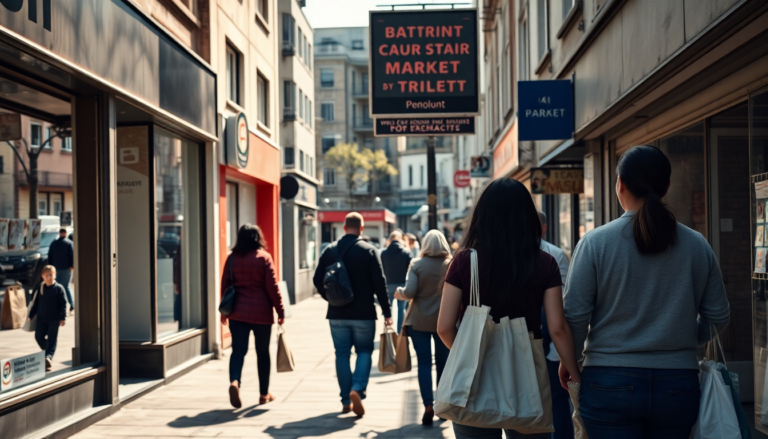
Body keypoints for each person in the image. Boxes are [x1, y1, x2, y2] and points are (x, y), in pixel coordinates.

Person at [562, 145, 731, 439]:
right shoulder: (696, 244)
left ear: (620, 184)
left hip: (607, 381)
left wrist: (571, 361)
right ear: (667, 186)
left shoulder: (595, 243)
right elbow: (718, 315)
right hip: (678, 383)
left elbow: (575, 316)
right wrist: (682, 337)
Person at [437, 178, 581, 439]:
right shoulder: (545, 263)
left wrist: (469, 355)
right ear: (527, 217)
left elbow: (444, 327)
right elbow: (557, 328)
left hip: (473, 384)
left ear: (482, 216)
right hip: (527, 376)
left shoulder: (464, 261)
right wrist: (572, 369)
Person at [313, 212, 393, 417]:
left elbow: (317, 279)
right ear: (362, 228)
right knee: (364, 351)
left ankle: (345, 401)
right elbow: (380, 284)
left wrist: (330, 298)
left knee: (341, 354)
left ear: (344, 227)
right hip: (364, 313)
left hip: (336, 313)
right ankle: (357, 388)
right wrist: (387, 312)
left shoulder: (330, 250)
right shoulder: (369, 250)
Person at [221, 224, 284, 409]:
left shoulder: (232, 258)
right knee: (263, 352)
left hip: (237, 312)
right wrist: (280, 311)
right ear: (258, 238)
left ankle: (235, 381)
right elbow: (273, 287)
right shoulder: (264, 257)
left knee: (238, 351)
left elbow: (225, 285)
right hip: (261, 313)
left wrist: (224, 312)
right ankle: (264, 394)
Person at [394, 229, 451, 426]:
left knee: (424, 363)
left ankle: (428, 404)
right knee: (443, 364)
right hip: (445, 322)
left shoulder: (416, 264)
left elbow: (409, 292)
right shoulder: (451, 264)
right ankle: (442, 406)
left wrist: (399, 292)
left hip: (419, 322)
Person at [537, 211, 573, 439]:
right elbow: (565, 302)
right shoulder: (555, 253)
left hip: (522, 343)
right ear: (545, 228)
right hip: (551, 345)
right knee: (557, 400)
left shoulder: (508, 252)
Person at [28, 265, 67, 372]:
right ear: (43, 276)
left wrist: (62, 317)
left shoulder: (58, 288)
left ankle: (48, 356)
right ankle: (48, 353)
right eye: (47, 275)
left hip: (54, 320)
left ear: (55, 275)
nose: (49, 277)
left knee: (52, 338)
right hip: (41, 319)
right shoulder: (40, 288)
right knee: (38, 336)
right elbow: (36, 303)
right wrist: (31, 315)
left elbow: (63, 304)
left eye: (51, 275)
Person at [380, 231, 411, 331]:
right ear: (400, 239)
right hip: (402, 284)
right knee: (401, 309)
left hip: (388, 284)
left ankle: (388, 331)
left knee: (387, 309)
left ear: (390, 239)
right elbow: (410, 269)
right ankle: (400, 332)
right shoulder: (406, 252)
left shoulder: (384, 253)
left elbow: (381, 269)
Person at [47, 228, 74, 314]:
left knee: (56, 287)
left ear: (59, 233)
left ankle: (57, 306)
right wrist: (72, 266)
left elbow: (49, 256)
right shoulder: (69, 243)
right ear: (65, 233)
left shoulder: (53, 243)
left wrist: (51, 267)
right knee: (66, 287)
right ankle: (71, 304)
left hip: (55, 269)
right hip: (66, 269)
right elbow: (72, 255)